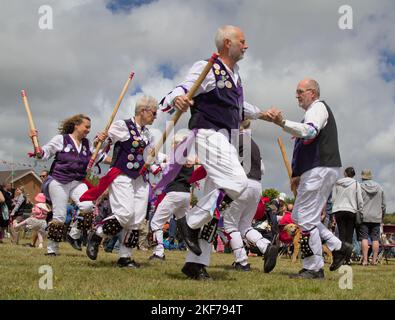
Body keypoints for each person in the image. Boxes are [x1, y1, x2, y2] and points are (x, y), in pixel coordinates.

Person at [159, 25, 278, 280]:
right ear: (227, 43)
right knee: (238, 182)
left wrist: (261, 114)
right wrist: (176, 99)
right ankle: (189, 224)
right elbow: (183, 88)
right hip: (208, 132)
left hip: (227, 138)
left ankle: (195, 263)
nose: (246, 46)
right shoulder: (208, 68)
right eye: (242, 41)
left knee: (214, 203)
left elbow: (237, 107)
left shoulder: (236, 75)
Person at [265, 78, 352, 279]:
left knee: (304, 219)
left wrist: (282, 123)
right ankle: (338, 247)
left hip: (320, 168)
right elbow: (303, 146)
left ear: (312, 93)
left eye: (300, 91)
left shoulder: (317, 108)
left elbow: (311, 131)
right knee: (299, 217)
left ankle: (313, 267)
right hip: (315, 170)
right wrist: (297, 174)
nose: (297, 95)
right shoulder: (309, 114)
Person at [86, 95, 158, 268]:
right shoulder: (122, 126)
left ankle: (125, 257)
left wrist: (158, 163)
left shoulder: (149, 134)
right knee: (124, 214)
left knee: (136, 219)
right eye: (154, 113)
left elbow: (150, 158)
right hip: (122, 175)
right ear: (143, 111)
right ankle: (97, 234)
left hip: (141, 179)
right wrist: (100, 139)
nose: (155, 117)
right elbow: (102, 144)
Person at [29, 114, 106, 256]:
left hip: (77, 182)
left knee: (88, 205)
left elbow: (103, 157)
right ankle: (52, 250)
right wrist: (36, 144)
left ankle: (74, 234)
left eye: (90, 128)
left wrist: (106, 144)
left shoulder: (87, 144)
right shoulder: (61, 140)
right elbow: (43, 154)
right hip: (58, 180)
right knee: (59, 216)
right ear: (77, 125)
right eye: (86, 127)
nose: (88, 130)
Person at [222, 119, 273, 272]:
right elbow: (263, 169)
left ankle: (241, 261)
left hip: (242, 184)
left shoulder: (236, 139)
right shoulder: (254, 143)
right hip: (256, 186)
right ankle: (266, 247)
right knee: (244, 226)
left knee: (230, 225)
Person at [149, 135, 195, 261]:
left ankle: (159, 253)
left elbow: (156, 169)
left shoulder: (174, 159)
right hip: (186, 194)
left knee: (155, 222)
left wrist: (150, 162)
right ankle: (193, 250)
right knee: (184, 224)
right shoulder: (188, 159)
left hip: (174, 193)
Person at [332, 167, 363, 264]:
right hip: (351, 210)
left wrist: (334, 211)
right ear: (353, 175)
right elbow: (360, 200)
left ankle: (340, 257)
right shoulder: (356, 184)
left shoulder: (337, 183)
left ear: (345, 173)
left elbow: (333, 198)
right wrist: (360, 210)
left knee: (341, 235)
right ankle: (347, 259)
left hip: (339, 210)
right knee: (349, 236)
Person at [359, 169, 386, 266]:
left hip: (364, 217)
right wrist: (382, 216)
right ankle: (374, 261)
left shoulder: (360, 187)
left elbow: (358, 202)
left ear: (362, 177)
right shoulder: (379, 187)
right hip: (376, 217)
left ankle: (365, 260)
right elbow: (383, 205)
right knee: (375, 239)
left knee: (364, 238)